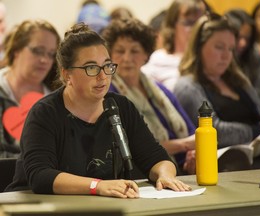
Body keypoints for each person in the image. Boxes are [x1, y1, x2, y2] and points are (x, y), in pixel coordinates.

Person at [5, 23, 191, 197]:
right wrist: (97, 186)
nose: (102, 76)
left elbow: (156, 157)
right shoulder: (45, 112)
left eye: (107, 66)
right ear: (66, 74)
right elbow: (40, 176)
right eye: (91, 68)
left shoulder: (120, 106)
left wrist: (165, 175)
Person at [174, 13, 260, 169]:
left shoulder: (238, 80)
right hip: (226, 165)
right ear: (199, 47)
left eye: (230, 49)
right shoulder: (188, 86)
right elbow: (215, 132)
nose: (226, 56)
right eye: (219, 47)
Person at [102, 18, 196, 175]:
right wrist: (183, 145)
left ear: (146, 55)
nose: (126, 58)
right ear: (110, 54)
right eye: (120, 51)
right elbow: (134, 148)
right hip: (145, 174)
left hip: (182, 170)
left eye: (134, 51)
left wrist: (192, 156)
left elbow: (192, 133)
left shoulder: (159, 89)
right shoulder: (109, 94)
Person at [0, 19, 60, 158]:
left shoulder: (56, 101)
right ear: (16, 50)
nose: (44, 60)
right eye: (38, 51)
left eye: (51, 54)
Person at [142, 0, 207, 92]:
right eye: (188, 23)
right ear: (172, 25)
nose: (195, 30)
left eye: (199, 24)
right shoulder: (159, 59)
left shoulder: (208, 58)